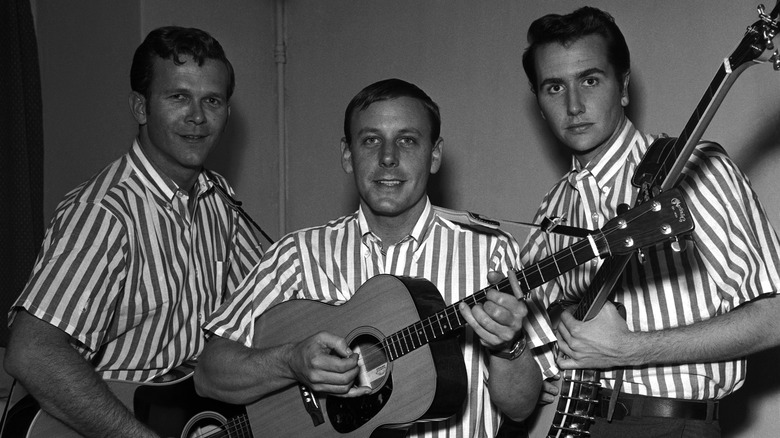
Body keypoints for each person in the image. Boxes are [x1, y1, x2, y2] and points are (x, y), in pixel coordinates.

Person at [193, 78, 558, 437]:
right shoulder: (297, 255)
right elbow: (209, 374)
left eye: (407, 140)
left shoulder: (492, 253)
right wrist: (291, 361)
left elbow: (521, 407)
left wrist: (509, 347)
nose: (387, 158)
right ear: (347, 155)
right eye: (370, 140)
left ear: (434, 155)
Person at [517, 6, 780, 437]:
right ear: (540, 103)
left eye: (590, 79)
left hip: (670, 425)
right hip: (579, 425)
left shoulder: (695, 169)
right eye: (553, 87)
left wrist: (632, 350)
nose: (574, 104)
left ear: (622, 87)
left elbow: (774, 315)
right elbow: (536, 362)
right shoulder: (553, 209)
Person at [4, 26, 264, 437]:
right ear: (140, 108)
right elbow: (32, 352)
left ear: (227, 113)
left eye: (212, 100)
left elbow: (270, 304)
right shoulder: (104, 212)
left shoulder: (219, 201)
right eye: (178, 97)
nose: (197, 116)